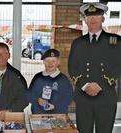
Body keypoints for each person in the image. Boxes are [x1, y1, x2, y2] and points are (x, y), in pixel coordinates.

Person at [68, 3, 121, 133]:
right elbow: (72, 67)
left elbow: (118, 65)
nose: (92, 19)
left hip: (106, 97)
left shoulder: (114, 40)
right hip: (83, 97)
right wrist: (85, 86)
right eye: (89, 16)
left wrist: (101, 85)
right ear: (85, 20)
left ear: (102, 18)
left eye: (97, 15)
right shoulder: (78, 43)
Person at [28, 49, 73, 114]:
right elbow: (29, 94)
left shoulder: (63, 79)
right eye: (47, 61)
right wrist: (37, 100)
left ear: (58, 62)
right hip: (38, 115)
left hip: (58, 116)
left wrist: (55, 106)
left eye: (53, 61)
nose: (50, 63)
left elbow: (69, 98)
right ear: (43, 62)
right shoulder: (37, 77)